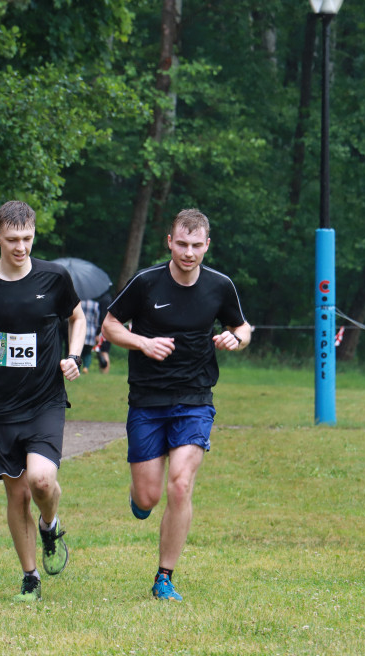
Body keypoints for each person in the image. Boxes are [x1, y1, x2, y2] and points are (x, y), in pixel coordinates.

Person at [101, 208, 251, 602]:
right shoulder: (146, 282)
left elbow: (242, 326)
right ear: (169, 242)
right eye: (181, 244)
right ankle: (138, 497)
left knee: (181, 484)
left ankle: (164, 577)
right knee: (149, 497)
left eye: (196, 245)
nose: (188, 252)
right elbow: (110, 324)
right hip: (147, 401)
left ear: (207, 245)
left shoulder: (220, 285)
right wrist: (142, 343)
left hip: (194, 399)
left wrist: (238, 338)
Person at [0, 200, 86, 602]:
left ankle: (50, 525)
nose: (21, 247)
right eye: (12, 239)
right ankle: (30, 577)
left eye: (28, 238)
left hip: (45, 400)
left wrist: (74, 355)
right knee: (18, 494)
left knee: (42, 480)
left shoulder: (54, 278)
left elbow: (77, 317)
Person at [79, 298, 101, 373]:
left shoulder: (79, 303)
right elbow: (96, 320)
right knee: (88, 352)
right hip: (91, 331)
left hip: (79, 330)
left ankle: (77, 368)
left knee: (79, 352)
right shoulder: (95, 304)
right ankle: (86, 367)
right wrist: (97, 333)